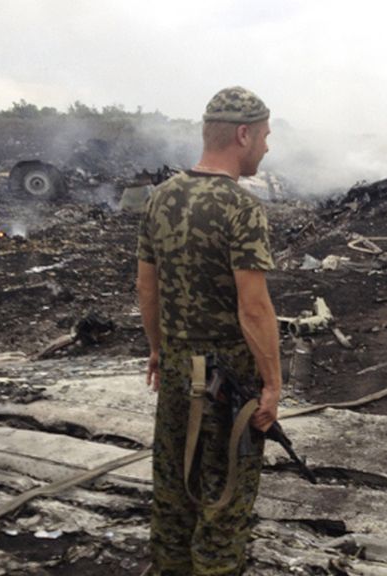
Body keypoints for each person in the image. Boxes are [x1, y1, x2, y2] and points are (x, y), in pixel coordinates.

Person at [136, 86, 281, 575]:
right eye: (263, 135)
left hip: (176, 371)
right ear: (243, 135)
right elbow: (254, 310)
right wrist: (272, 385)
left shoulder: (160, 198)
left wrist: (157, 350)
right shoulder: (241, 208)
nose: (266, 145)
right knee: (223, 498)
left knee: (174, 491)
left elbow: (147, 287)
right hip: (227, 383)